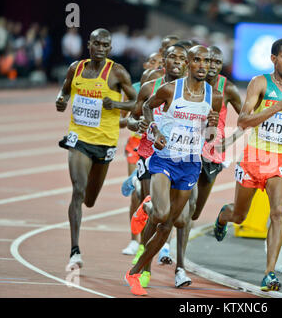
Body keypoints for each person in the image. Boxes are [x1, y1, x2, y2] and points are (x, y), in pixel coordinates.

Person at [124, 45, 222, 296]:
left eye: (207, 61)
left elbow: (210, 133)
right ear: (189, 63)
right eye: (197, 60)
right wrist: (155, 132)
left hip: (190, 164)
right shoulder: (169, 89)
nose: (203, 65)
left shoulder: (214, 96)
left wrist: (211, 126)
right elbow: (146, 107)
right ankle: (149, 207)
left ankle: (135, 271)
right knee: (161, 213)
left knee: (167, 224)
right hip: (165, 160)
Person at [213, 38, 282, 292]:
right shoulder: (260, 83)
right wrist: (279, 106)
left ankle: (269, 274)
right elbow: (244, 120)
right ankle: (224, 216)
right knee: (240, 216)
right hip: (255, 157)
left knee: (278, 212)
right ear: (273, 59)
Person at [56, 28, 136, 271]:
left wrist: (117, 103)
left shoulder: (117, 72)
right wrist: (61, 100)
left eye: (105, 45)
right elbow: (65, 91)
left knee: (90, 200)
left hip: (104, 142)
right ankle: (74, 251)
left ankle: (76, 247)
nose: (101, 48)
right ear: (88, 45)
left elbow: (137, 102)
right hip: (78, 138)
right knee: (78, 191)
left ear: (110, 48)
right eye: (97, 44)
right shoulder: (76, 68)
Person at [173, 45, 244, 285]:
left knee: (195, 211)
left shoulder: (227, 89)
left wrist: (228, 143)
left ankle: (178, 238)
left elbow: (246, 120)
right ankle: (177, 263)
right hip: (189, 149)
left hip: (212, 154)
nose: (210, 66)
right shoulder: (187, 84)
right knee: (185, 204)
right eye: (207, 61)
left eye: (216, 62)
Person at [124, 44, 189, 287]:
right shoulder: (151, 85)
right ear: (164, 60)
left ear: (188, 63)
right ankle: (145, 268)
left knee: (177, 218)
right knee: (161, 216)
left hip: (182, 157)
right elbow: (131, 117)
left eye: (182, 58)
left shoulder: (195, 91)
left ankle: (146, 208)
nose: (177, 62)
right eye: (172, 56)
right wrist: (137, 125)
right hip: (151, 154)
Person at [120, 50, 165, 256]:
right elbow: (124, 120)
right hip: (139, 145)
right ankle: (134, 240)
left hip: (162, 149)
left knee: (158, 201)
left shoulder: (177, 87)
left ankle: (161, 242)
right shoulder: (142, 87)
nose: (157, 65)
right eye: (154, 61)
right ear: (147, 64)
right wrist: (139, 124)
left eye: (161, 62)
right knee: (138, 196)